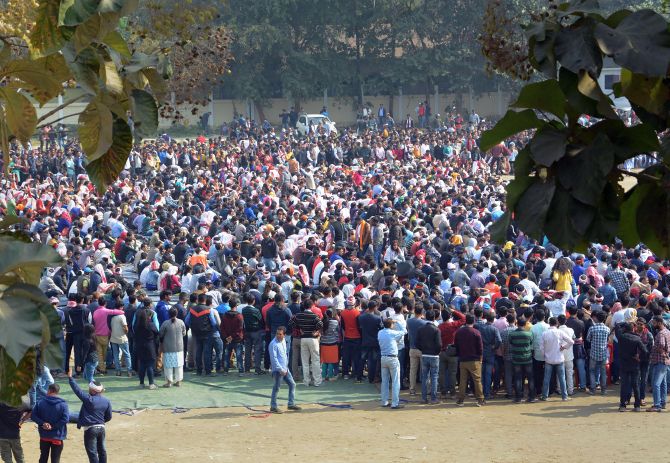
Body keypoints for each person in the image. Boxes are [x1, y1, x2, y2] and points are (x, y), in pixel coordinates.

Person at [67, 371, 112, 463]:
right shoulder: (107, 401)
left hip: (90, 429)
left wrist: (70, 378)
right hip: (102, 428)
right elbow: (109, 416)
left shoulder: (89, 399)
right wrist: (100, 421)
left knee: (92, 453)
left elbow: (77, 390)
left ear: (92, 390)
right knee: (102, 451)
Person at [31, 383, 69, 463]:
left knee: (43, 457)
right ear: (57, 392)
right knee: (55, 459)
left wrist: (43, 424)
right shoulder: (63, 404)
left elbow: (33, 416)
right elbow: (65, 419)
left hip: (44, 436)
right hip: (57, 437)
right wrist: (53, 426)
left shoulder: (40, 403)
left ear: (48, 391)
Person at [289, 300, 324, 387]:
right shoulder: (314, 315)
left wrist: (299, 328)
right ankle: (317, 381)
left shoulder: (298, 315)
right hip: (313, 339)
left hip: (303, 338)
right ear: (311, 306)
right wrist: (315, 331)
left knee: (305, 361)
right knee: (315, 361)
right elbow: (320, 324)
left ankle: (306, 381)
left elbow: (291, 322)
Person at [539, 317, 574, 401]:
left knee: (547, 378)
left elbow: (541, 347)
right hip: (559, 358)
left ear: (549, 323)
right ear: (557, 323)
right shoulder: (560, 332)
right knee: (562, 378)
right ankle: (564, 396)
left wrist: (544, 356)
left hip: (548, 359)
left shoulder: (544, 333)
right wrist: (564, 347)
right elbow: (571, 341)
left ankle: (544, 396)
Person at [269, 327, 302, 413]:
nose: (278, 336)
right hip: (278, 370)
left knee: (292, 384)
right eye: (277, 334)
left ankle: (290, 404)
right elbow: (274, 359)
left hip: (285, 368)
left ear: (284, 335)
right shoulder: (273, 344)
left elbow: (285, 354)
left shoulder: (283, 341)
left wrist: (286, 367)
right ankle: (273, 406)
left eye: (280, 334)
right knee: (276, 388)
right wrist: (280, 369)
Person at [454, 314, 485, 406]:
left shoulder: (459, 332)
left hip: (463, 359)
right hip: (474, 360)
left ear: (465, 321)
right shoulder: (476, 332)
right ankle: (480, 400)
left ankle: (460, 400)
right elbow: (480, 348)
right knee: (477, 380)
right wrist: (480, 358)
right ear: (474, 321)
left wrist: (460, 355)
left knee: (463, 381)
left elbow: (456, 345)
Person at [615, 321, 646, 412]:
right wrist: (640, 358)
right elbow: (645, 351)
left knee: (624, 385)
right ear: (633, 329)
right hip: (634, 364)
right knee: (635, 384)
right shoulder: (637, 338)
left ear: (625, 329)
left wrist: (625, 322)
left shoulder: (621, 337)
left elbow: (617, 326)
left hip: (624, 364)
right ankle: (637, 405)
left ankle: (623, 405)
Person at [378, 317, 407, 409]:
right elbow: (404, 331)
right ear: (391, 325)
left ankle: (384, 401)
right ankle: (395, 403)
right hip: (392, 358)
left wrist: (391, 322)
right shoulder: (392, 333)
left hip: (383, 358)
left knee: (385, 381)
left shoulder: (380, 333)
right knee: (395, 381)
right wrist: (397, 322)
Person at [415, 309, 442, 404]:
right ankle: (433, 398)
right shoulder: (436, 329)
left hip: (425, 354)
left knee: (424, 377)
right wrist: (437, 352)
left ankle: (424, 398)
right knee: (434, 377)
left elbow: (416, 343)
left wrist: (423, 350)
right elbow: (439, 344)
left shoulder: (421, 329)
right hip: (434, 356)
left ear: (426, 317)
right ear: (434, 318)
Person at [509, 317, 536, 403]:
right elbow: (531, 343)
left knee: (518, 378)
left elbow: (511, 343)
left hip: (516, 359)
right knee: (530, 378)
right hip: (527, 359)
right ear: (525, 325)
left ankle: (518, 398)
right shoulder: (529, 334)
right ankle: (531, 397)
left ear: (517, 324)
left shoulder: (512, 334)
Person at [159, 307, 187, 387]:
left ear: (168, 314)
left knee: (168, 365)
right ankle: (178, 381)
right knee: (179, 365)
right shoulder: (181, 322)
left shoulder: (165, 323)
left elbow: (161, 334)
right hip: (179, 347)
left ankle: (169, 382)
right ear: (176, 314)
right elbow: (184, 333)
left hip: (168, 347)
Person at [134, 303, 159, 389]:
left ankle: (141, 383)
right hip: (150, 346)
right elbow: (157, 332)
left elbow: (134, 332)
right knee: (150, 365)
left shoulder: (137, 326)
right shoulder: (151, 325)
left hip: (140, 345)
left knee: (142, 364)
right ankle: (151, 383)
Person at [648, 315, 670, 412]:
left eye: (654, 323)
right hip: (665, 361)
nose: (653, 324)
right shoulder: (667, 331)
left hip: (660, 360)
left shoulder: (661, 334)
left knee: (656, 384)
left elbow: (661, 345)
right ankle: (662, 402)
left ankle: (657, 405)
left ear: (659, 323)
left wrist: (655, 347)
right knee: (663, 383)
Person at [586, 310, 610, 395]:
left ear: (596, 318)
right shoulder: (607, 329)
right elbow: (608, 340)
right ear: (604, 319)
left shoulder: (592, 328)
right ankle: (603, 390)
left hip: (593, 353)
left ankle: (592, 389)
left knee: (592, 371)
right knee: (603, 372)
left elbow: (588, 339)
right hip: (603, 354)